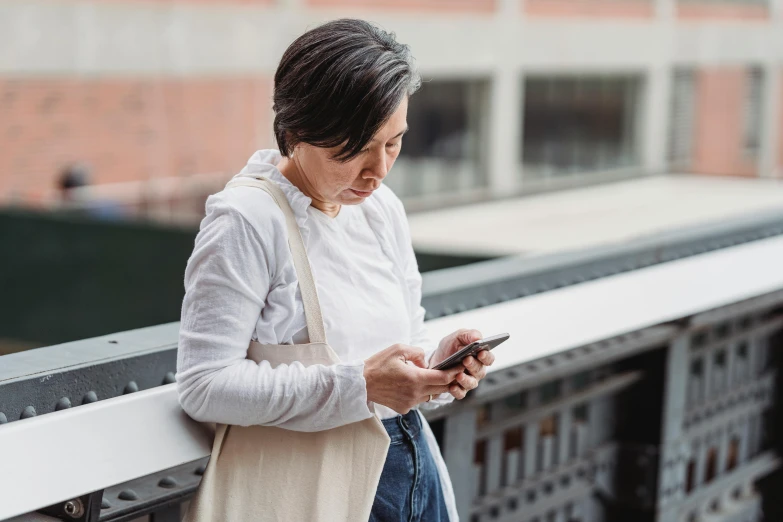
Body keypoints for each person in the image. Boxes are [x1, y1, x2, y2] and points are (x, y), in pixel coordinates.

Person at [176, 19, 494, 522]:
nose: (379, 170)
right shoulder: (247, 220)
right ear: (298, 130)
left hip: (413, 475)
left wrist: (433, 369)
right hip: (313, 492)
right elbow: (203, 385)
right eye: (355, 150)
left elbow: (396, 345)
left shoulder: (382, 209)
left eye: (393, 143)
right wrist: (361, 387)